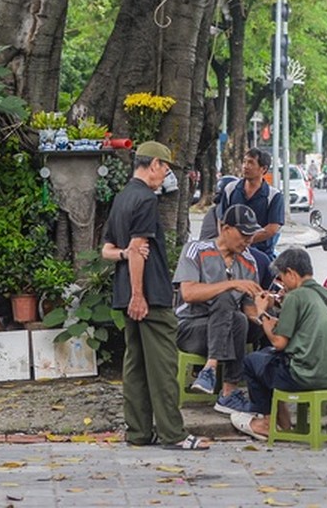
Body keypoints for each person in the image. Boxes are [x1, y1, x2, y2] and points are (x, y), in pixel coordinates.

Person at [101, 141, 210, 451]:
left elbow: (108, 251)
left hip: (126, 294)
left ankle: (137, 432)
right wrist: (140, 294)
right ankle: (173, 434)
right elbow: (138, 252)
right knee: (163, 365)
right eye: (165, 168)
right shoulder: (146, 200)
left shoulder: (123, 198)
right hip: (149, 296)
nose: (165, 175)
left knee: (135, 365)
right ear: (153, 165)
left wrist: (125, 260)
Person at [230, 247, 327, 440]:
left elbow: (279, 342)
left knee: (252, 362)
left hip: (305, 376)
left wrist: (261, 312)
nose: (281, 284)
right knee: (267, 359)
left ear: (291, 273)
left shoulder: (296, 296)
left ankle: (267, 423)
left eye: (281, 277)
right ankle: (283, 424)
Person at [174, 203, 264, 415]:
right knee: (224, 299)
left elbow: (249, 310)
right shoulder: (196, 250)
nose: (248, 241)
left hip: (229, 329)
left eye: (252, 235)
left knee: (240, 319)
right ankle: (216, 376)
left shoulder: (249, 262)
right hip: (192, 327)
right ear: (225, 229)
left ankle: (221, 384)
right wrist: (231, 284)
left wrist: (263, 310)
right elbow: (188, 293)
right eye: (244, 234)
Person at [215, 148, 285, 283]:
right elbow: (221, 220)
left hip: (262, 253)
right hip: (231, 253)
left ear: (263, 169)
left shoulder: (274, 196)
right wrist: (230, 242)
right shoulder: (230, 189)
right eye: (244, 162)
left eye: (251, 163)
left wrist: (245, 240)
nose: (246, 166)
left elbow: (272, 229)